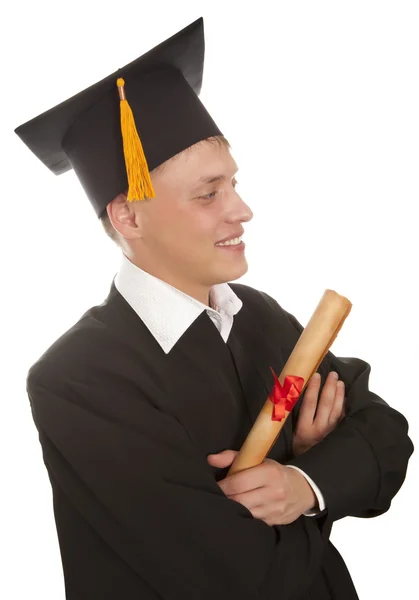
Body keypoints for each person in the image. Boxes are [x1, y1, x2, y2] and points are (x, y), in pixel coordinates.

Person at [15, 17, 413, 600]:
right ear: (129, 216)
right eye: (209, 194)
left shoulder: (259, 318)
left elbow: (386, 435)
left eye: (233, 184)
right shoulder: (80, 380)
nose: (243, 209)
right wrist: (322, 484)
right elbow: (238, 578)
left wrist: (301, 483)